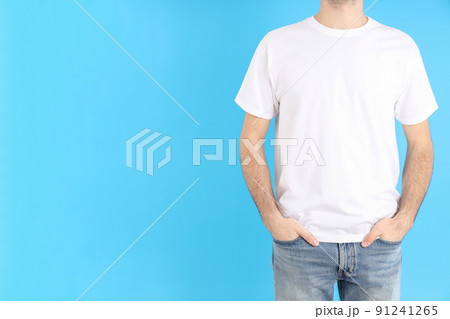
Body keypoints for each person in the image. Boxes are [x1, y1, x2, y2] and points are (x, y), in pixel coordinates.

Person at [236, 0, 438, 301]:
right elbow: (250, 139)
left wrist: (405, 217)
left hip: (377, 245)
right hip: (300, 245)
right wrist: (271, 216)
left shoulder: (400, 48)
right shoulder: (276, 45)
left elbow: (421, 143)